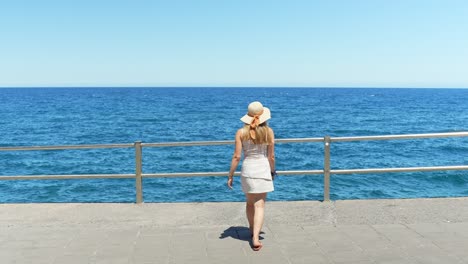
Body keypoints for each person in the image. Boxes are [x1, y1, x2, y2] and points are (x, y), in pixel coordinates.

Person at [227, 101, 276, 251]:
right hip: (262, 169)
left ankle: (251, 229)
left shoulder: (240, 132)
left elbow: (236, 156)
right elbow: (271, 156)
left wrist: (231, 175)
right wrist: (272, 171)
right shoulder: (269, 132)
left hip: (248, 170)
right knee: (260, 205)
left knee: (249, 203)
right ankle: (255, 237)